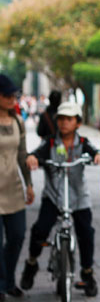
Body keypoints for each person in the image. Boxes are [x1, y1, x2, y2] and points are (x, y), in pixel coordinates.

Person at [20, 101, 100, 296]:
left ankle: (87, 273)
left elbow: (95, 151)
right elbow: (35, 154)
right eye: (61, 119)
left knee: (86, 233)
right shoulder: (49, 142)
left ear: (77, 123)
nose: (64, 123)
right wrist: (32, 158)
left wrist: (98, 155)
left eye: (69, 119)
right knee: (40, 230)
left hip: (78, 197)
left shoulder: (82, 143)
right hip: (54, 197)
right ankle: (31, 264)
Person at [0, 74, 34, 301]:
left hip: (13, 189)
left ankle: (7, 280)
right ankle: (3, 285)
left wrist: (29, 184)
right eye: (7, 95)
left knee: (17, 236)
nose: (12, 99)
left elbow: (23, 155)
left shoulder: (18, 121)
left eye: (14, 95)